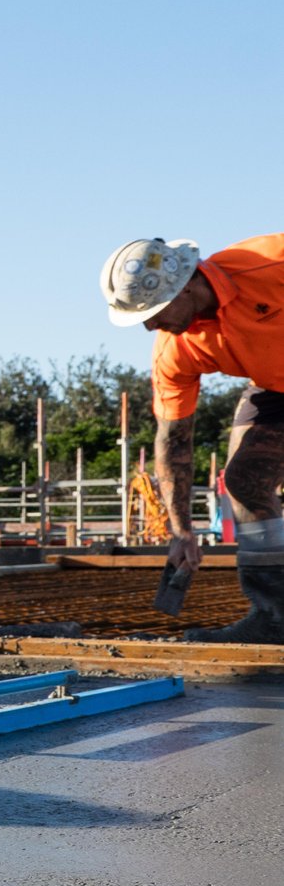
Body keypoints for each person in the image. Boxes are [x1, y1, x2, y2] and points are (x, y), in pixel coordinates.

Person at [103, 234, 284, 642]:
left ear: (185, 284)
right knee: (244, 482)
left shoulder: (268, 264)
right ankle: (275, 620)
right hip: (275, 384)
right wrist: (181, 531)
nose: (150, 325)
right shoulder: (174, 348)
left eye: (153, 312)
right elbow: (173, 442)